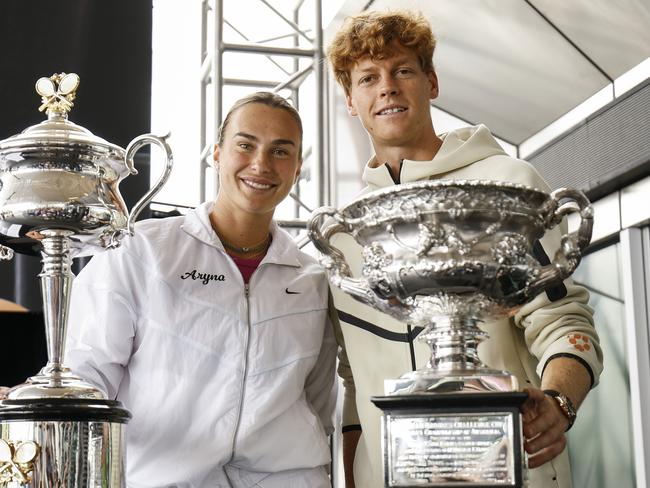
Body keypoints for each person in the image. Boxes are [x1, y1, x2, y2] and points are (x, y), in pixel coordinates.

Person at [326, 10, 602, 488]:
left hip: (513, 469)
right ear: (351, 101)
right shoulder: (350, 233)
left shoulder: (507, 185)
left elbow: (564, 321)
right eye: (368, 78)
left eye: (403, 70)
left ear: (431, 82)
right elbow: (353, 377)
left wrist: (559, 404)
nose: (387, 87)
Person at [64, 92, 337, 487]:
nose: (261, 164)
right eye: (246, 145)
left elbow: (318, 402)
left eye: (281, 151)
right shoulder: (142, 250)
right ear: (217, 154)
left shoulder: (311, 280)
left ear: (296, 170)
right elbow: (86, 376)